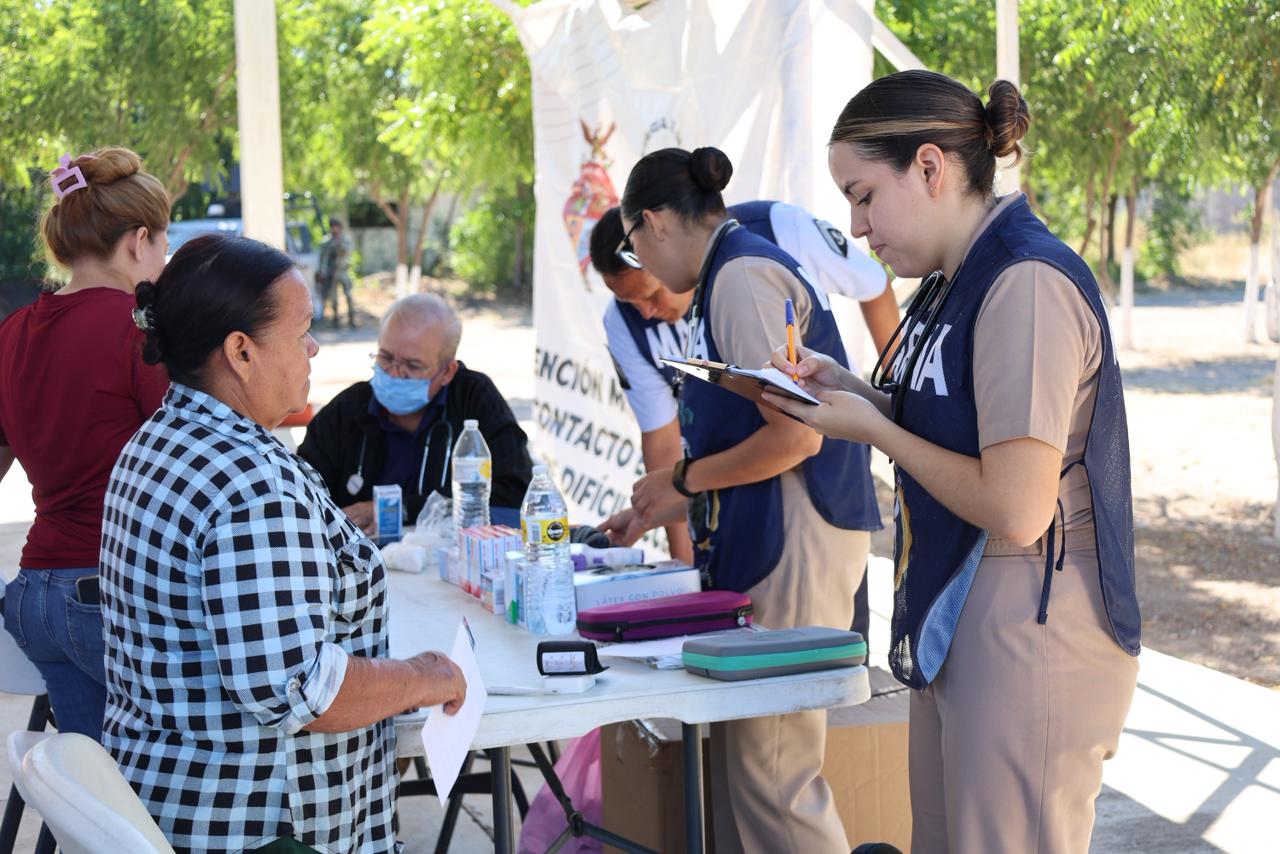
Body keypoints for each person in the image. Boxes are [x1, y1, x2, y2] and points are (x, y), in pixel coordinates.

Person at [765, 70, 1141, 853]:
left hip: (1028, 620)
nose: (858, 228)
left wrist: (874, 431)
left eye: (864, 195)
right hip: (966, 608)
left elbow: (1016, 505)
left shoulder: (1023, 282)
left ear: (930, 166)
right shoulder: (955, 280)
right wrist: (854, 392)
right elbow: (957, 423)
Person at [100, 234, 466, 853]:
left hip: (171, 800)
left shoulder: (159, 439)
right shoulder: (250, 487)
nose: (314, 348)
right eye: (301, 333)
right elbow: (304, 690)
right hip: (258, 827)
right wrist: (422, 677)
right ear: (241, 352)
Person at [618, 147, 881, 854]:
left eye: (634, 247)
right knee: (752, 769)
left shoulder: (740, 277)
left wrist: (683, 481)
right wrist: (667, 500)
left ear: (652, 223)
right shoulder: (728, 272)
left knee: (775, 774)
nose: (644, 267)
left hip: (797, 538)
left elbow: (796, 438)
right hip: (776, 533)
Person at [589, 203, 895, 636]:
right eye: (629, 301)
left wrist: (898, 402)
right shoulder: (640, 316)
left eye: (650, 293)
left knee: (805, 661)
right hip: (738, 522)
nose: (646, 312)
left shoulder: (755, 256)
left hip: (810, 514)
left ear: (661, 243)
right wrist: (676, 552)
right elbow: (666, 445)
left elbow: (796, 438)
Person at [0, 148, 170, 739]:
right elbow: (186, 457)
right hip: (110, 593)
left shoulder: (14, 331)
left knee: (93, 784)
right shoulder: (138, 329)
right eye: (164, 243)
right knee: (152, 783)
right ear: (139, 241)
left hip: (33, 593)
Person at [299, 293, 533, 531]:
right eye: (385, 358)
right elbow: (301, 492)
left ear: (447, 372)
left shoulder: (474, 400)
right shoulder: (346, 411)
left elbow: (514, 494)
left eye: (413, 366)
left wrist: (399, 509)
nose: (395, 373)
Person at [317, 216, 356, 328]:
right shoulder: (326, 241)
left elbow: (348, 251)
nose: (334, 229)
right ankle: (335, 320)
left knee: (348, 295)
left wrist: (339, 244)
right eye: (332, 226)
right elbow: (323, 258)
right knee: (333, 298)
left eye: (336, 226)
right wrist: (322, 273)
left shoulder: (345, 239)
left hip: (343, 271)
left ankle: (351, 319)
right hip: (331, 273)